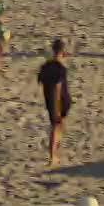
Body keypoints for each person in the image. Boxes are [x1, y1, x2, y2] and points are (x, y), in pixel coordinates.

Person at [36, 40, 72, 168]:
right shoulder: (61, 68)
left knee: (57, 126)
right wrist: (57, 107)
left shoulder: (45, 66)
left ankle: (55, 152)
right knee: (56, 127)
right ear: (62, 52)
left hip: (50, 100)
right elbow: (58, 88)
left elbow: (40, 81)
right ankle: (53, 156)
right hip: (59, 101)